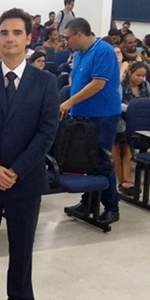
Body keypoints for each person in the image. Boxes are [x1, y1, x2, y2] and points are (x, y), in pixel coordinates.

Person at [0, 8, 59, 300]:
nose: (9, 38)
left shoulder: (45, 82)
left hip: (25, 181)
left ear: (28, 37)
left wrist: (15, 170)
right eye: (4, 32)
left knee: (21, 251)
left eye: (17, 32)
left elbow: (46, 132)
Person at [60, 18, 122, 224]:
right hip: (82, 113)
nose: (66, 41)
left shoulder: (103, 50)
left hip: (102, 115)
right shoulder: (78, 54)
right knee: (87, 161)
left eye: (68, 37)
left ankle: (112, 206)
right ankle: (88, 201)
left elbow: (97, 84)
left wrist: (69, 101)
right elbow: (76, 79)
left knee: (102, 160)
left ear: (79, 34)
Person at [114, 62, 149, 196]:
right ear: (130, 73)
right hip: (119, 120)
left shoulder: (146, 86)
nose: (141, 78)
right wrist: (133, 109)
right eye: (138, 75)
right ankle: (122, 180)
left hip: (137, 123)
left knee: (127, 151)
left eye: (143, 76)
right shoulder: (121, 86)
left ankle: (127, 182)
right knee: (119, 149)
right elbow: (117, 102)